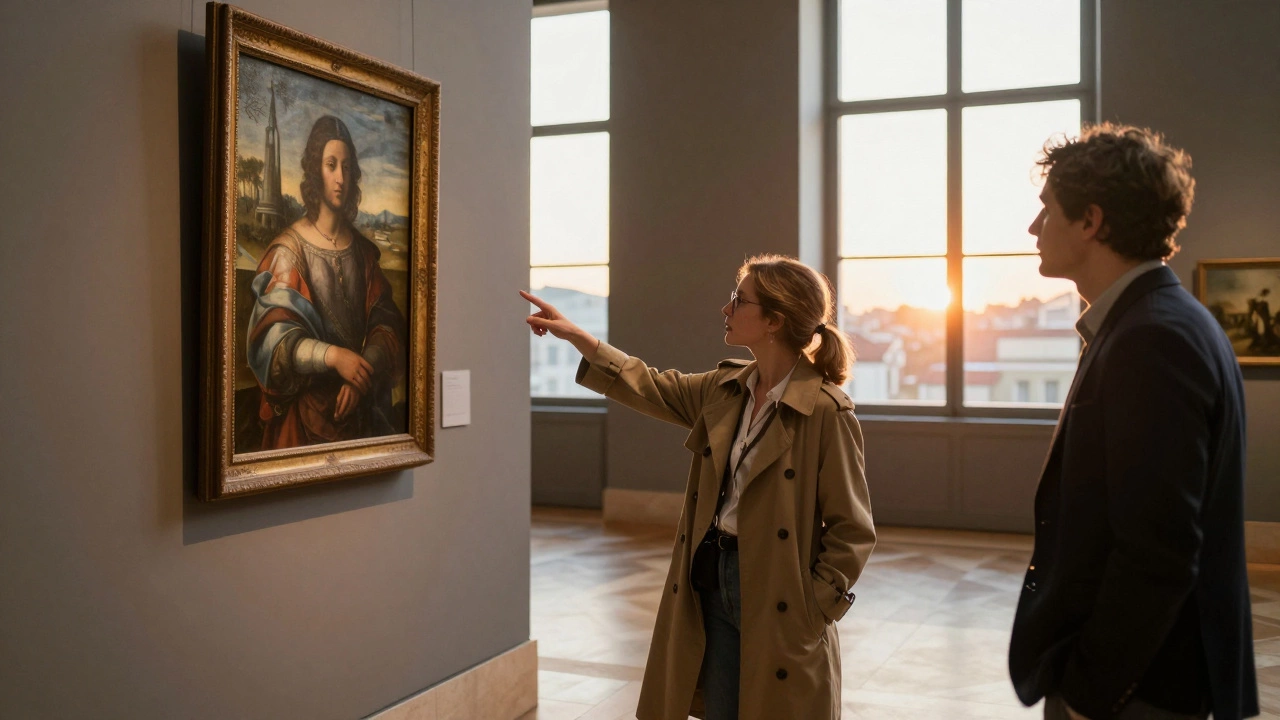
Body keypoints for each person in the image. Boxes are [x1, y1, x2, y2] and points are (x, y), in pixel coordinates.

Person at [522, 254, 876, 720]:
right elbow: (647, 384)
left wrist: (816, 605)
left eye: (739, 300)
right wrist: (579, 338)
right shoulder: (724, 389)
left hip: (779, 587)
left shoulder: (827, 412)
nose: (726, 309)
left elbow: (853, 529)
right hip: (712, 575)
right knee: (721, 707)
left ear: (774, 320)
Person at [1010, 123, 1257, 720]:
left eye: (1047, 210)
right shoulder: (1156, 320)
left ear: (1091, 221)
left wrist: (1089, 695)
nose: (1033, 227)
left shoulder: (1152, 338)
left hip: (1142, 691)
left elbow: (1158, 551)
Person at [246, 115, 407, 450]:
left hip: (360, 421)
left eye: (347, 167)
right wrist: (333, 357)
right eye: (331, 165)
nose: (340, 178)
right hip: (302, 426)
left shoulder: (363, 254)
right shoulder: (288, 253)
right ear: (313, 171)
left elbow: (388, 325)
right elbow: (272, 344)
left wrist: (361, 376)